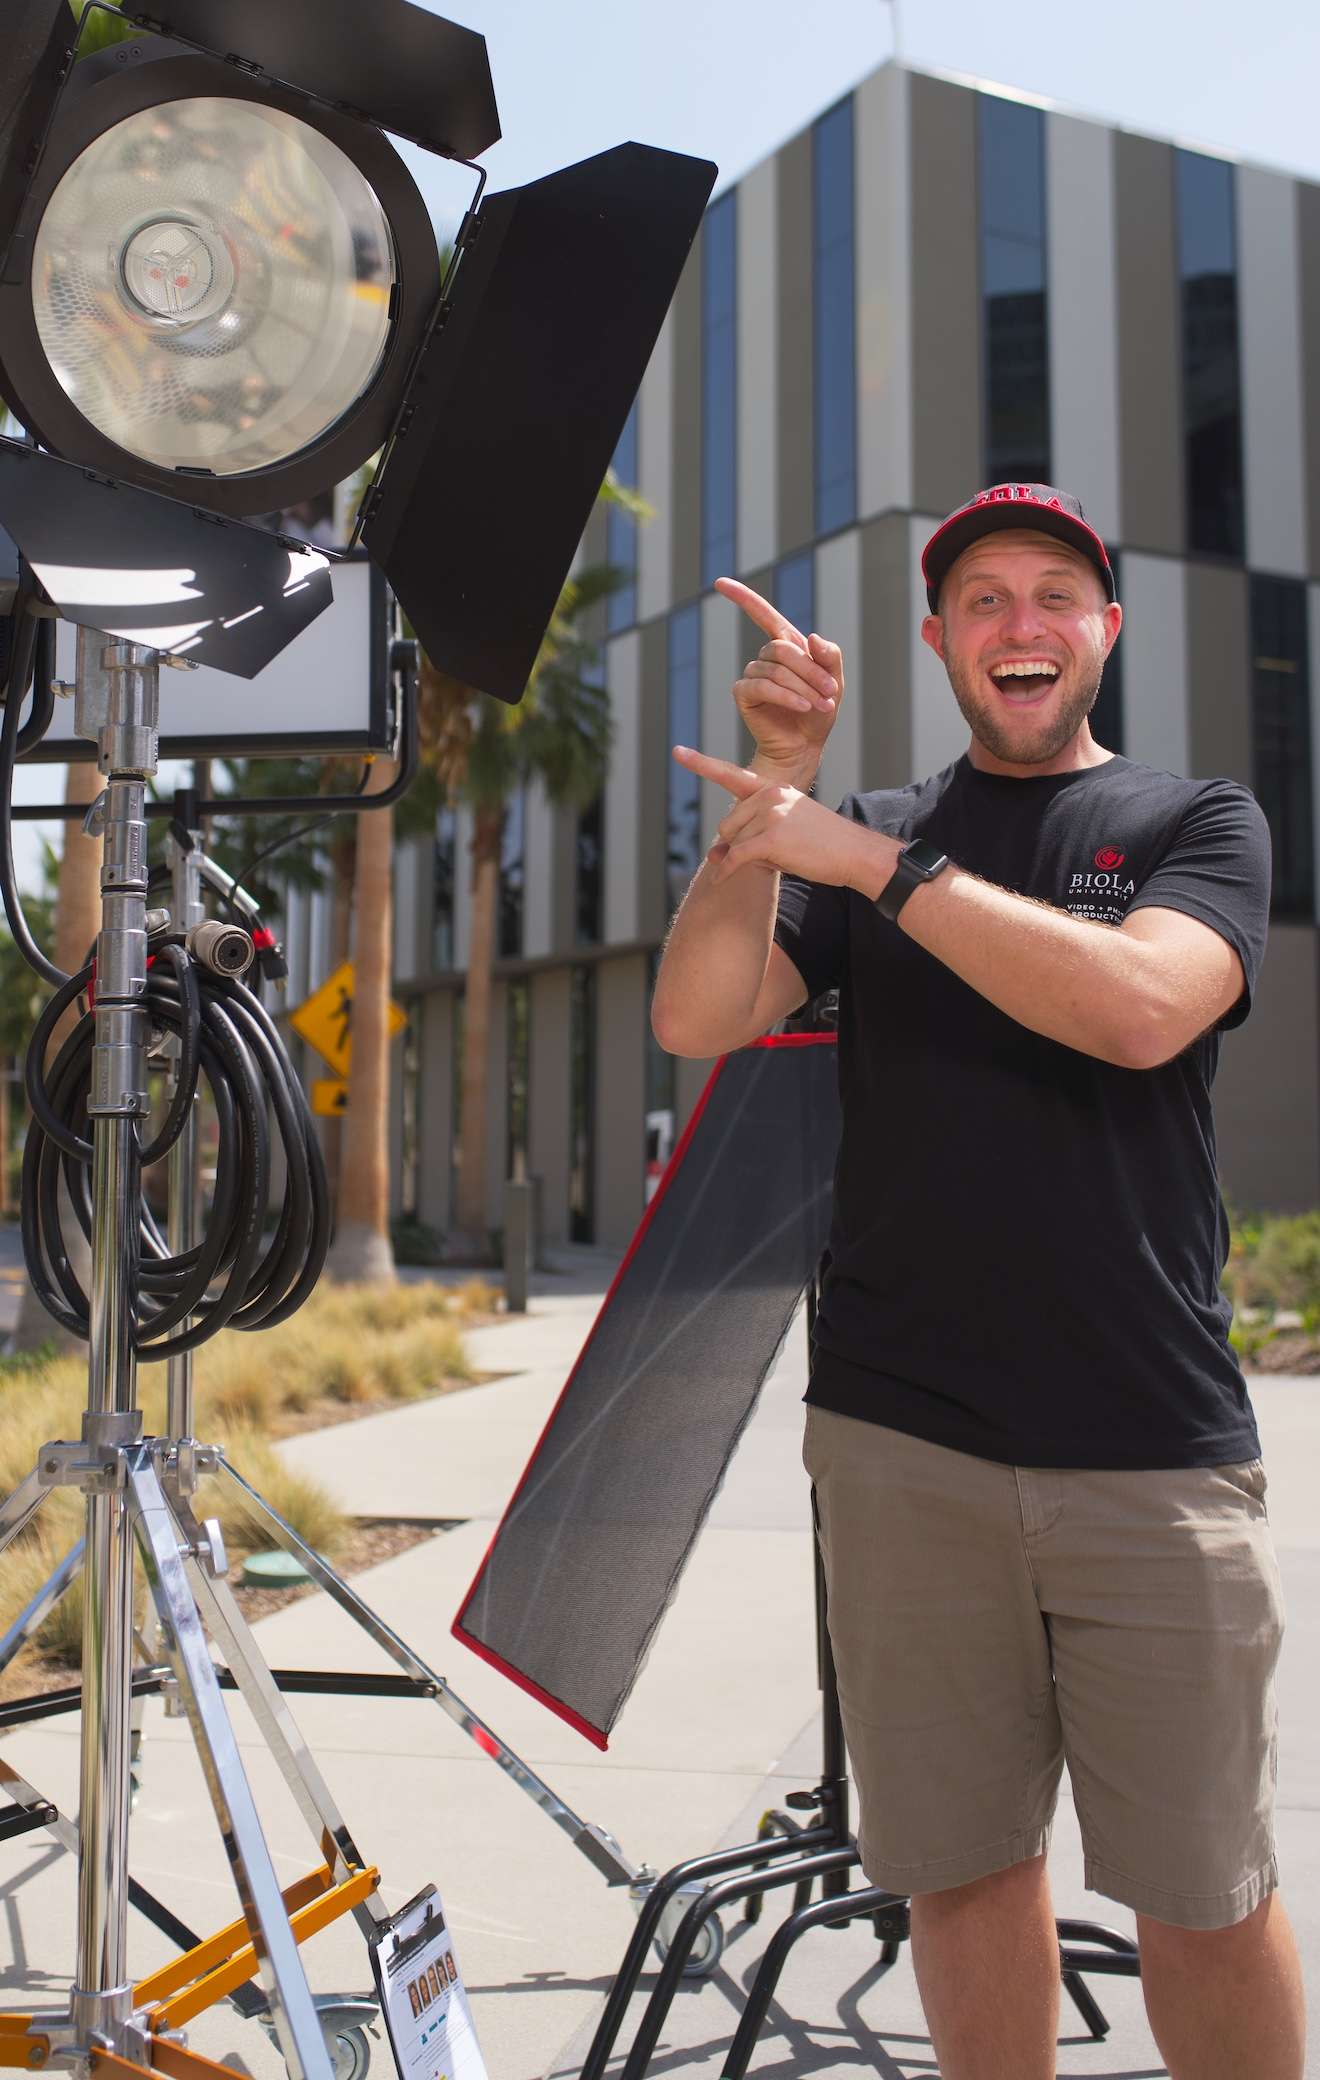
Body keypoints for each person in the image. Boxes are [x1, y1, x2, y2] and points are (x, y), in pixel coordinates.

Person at [650, 482, 1306, 2080]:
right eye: (986, 600)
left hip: (1147, 1442)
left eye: (1055, 595)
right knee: (961, 1873)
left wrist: (875, 864)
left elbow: (1140, 1009)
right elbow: (697, 1015)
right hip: (905, 1443)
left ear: (1107, 631)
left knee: (1206, 1896)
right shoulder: (865, 821)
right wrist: (780, 792)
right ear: (941, 640)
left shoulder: (1196, 821)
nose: (1023, 624)